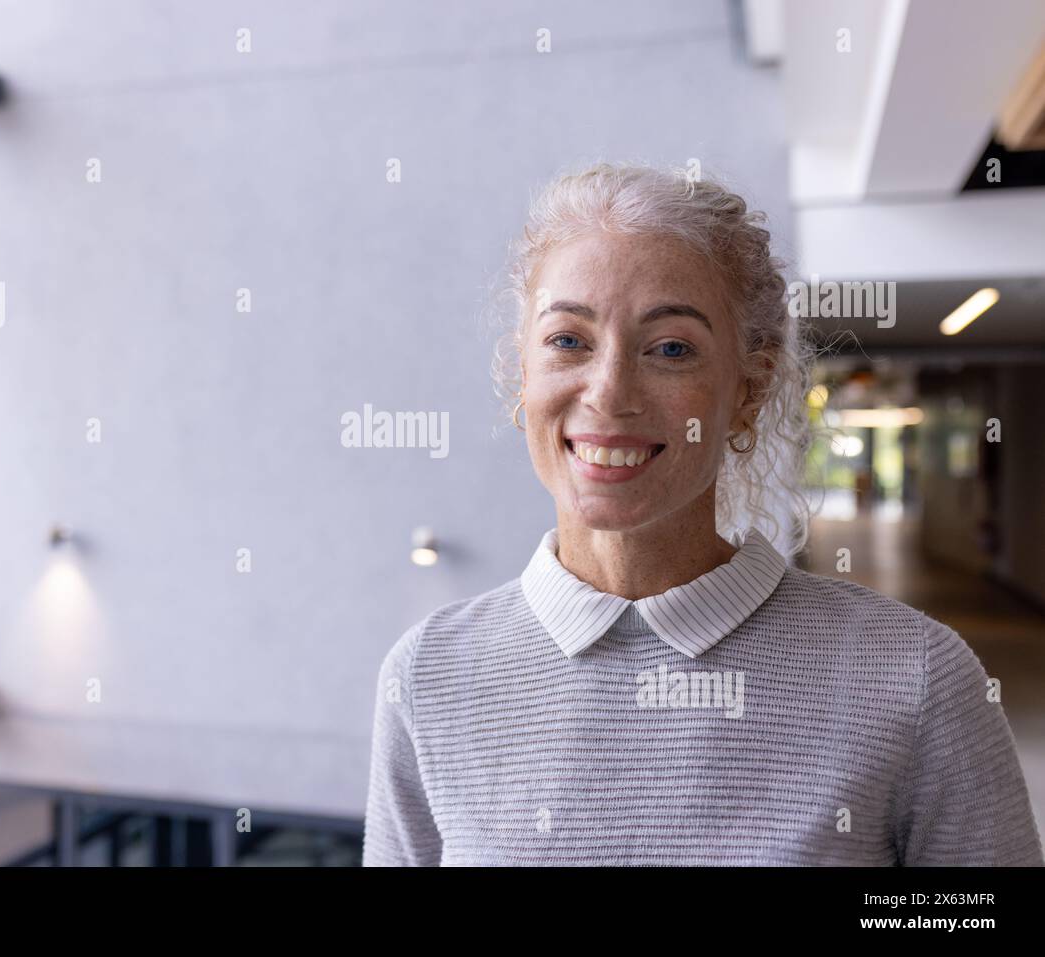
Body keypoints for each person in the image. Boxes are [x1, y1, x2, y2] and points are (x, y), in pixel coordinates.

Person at [361, 162, 1043, 866]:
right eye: (568, 340)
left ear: (748, 389)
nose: (609, 391)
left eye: (671, 349)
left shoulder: (915, 675)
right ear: (522, 375)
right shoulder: (429, 675)